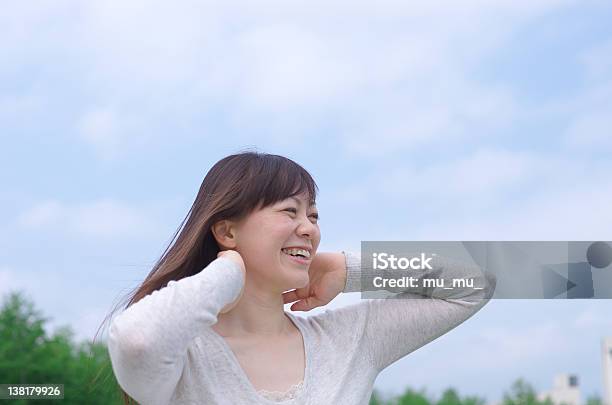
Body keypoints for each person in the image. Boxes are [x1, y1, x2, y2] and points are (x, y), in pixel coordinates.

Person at [106, 151, 496, 405]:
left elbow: (476, 283)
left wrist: (352, 270)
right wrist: (226, 273)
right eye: (289, 211)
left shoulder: (349, 340)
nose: (308, 228)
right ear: (227, 232)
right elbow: (137, 340)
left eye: (313, 215)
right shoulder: (185, 357)